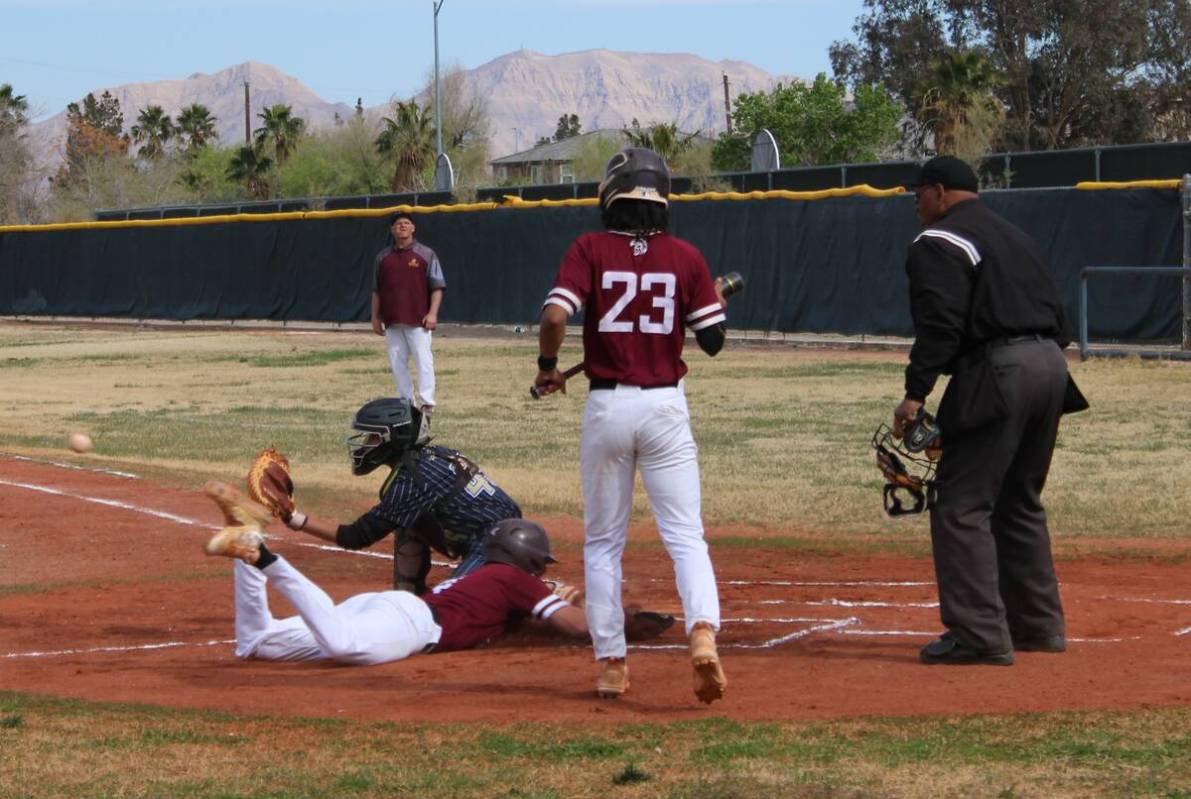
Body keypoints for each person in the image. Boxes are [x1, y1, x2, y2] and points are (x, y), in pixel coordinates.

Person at [534, 147, 729, 704]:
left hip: (608, 406)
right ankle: (702, 633)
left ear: (611, 193)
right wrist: (710, 296)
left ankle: (612, 664)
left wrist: (548, 367)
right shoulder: (687, 257)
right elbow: (712, 340)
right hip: (665, 405)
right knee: (686, 536)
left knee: (602, 543)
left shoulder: (589, 248)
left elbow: (554, 316)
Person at [893, 155, 1088, 666]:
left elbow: (941, 323)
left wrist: (916, 393)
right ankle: (1038, 626)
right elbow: (1058, 314)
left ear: (939, 192)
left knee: (961, 502)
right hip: (1051, 367)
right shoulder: (1014, 235)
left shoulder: (938, 240)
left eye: (918, 193)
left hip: (1002, 370)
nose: (915, 202)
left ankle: (979, 634)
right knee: (1019, 500)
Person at [203, 483, 589, 665]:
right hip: (409, 625)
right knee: (343, 646)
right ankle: (262, 556)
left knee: (255, 644)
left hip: (388, 609)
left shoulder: (489, 579)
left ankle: (248, 536)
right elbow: (578, 627)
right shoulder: (515, 580)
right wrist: (626, 621)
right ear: (526, 559)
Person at [278, 397, 522, 595]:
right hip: (503, 536)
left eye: (372, 437)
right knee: (408, 521)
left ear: (392, 439)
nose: (364, 444)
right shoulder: (433, 456)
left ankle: (541, 593)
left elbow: (356, 536)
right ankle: (412, 595)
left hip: (499, 545)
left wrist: (294, 518)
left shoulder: (414, 479)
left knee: (449, 612)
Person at [371, 212, 444, 414]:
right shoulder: (382, 257)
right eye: (397, 224)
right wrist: (375, 317)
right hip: (392, 321)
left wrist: (433, 313)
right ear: (392, 230)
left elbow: (437, 287)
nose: (402, 226)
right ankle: (405, 401)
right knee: (397, 363)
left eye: (406, 223)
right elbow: (376, 290)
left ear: (413, 228)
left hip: (418, 320)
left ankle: (427, 402)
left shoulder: (426, 254)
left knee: (423, 360)